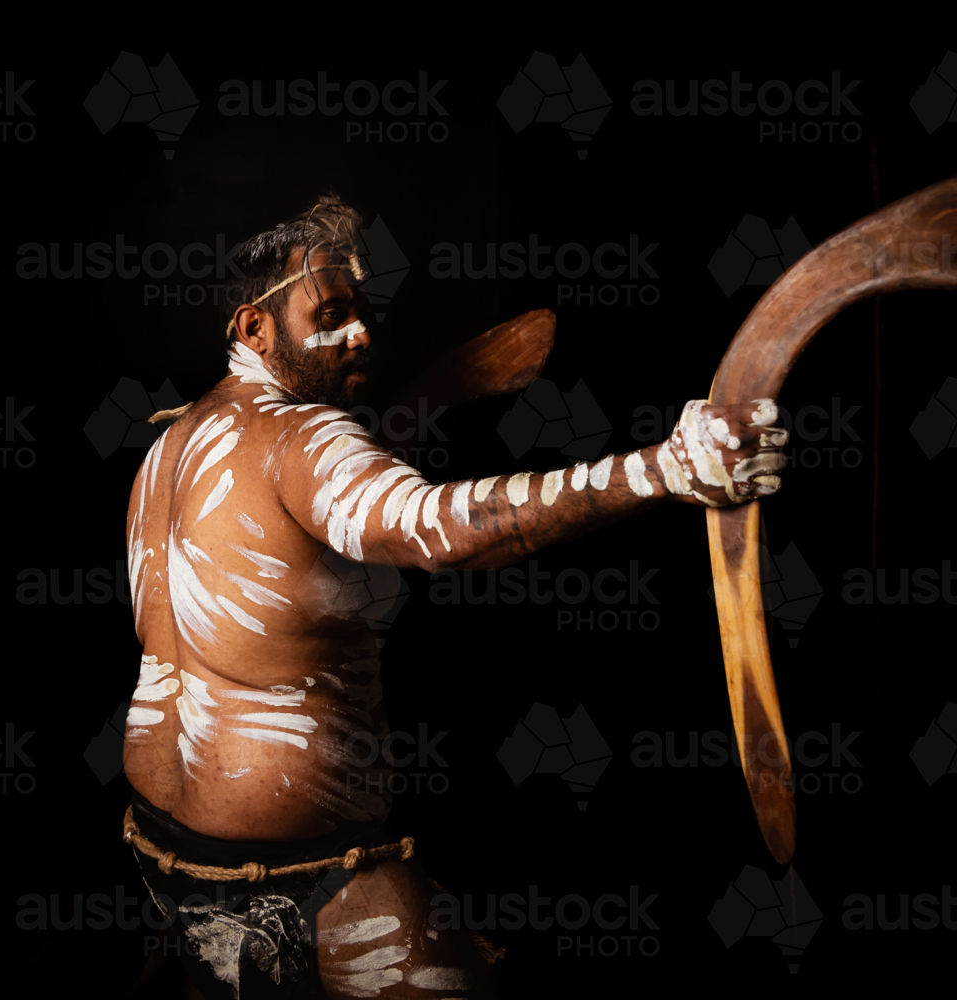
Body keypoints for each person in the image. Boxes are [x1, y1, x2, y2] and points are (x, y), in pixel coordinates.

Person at [121, 195, 788, 998]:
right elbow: (433, 530)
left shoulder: (169, 447)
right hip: (320, 879)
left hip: (168, 857)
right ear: (253, 329)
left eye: (364, 314)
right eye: (330, 313)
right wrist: (666, 470)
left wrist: (437, 395)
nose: (361, 333)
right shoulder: (301, 436)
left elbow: (297, 553)